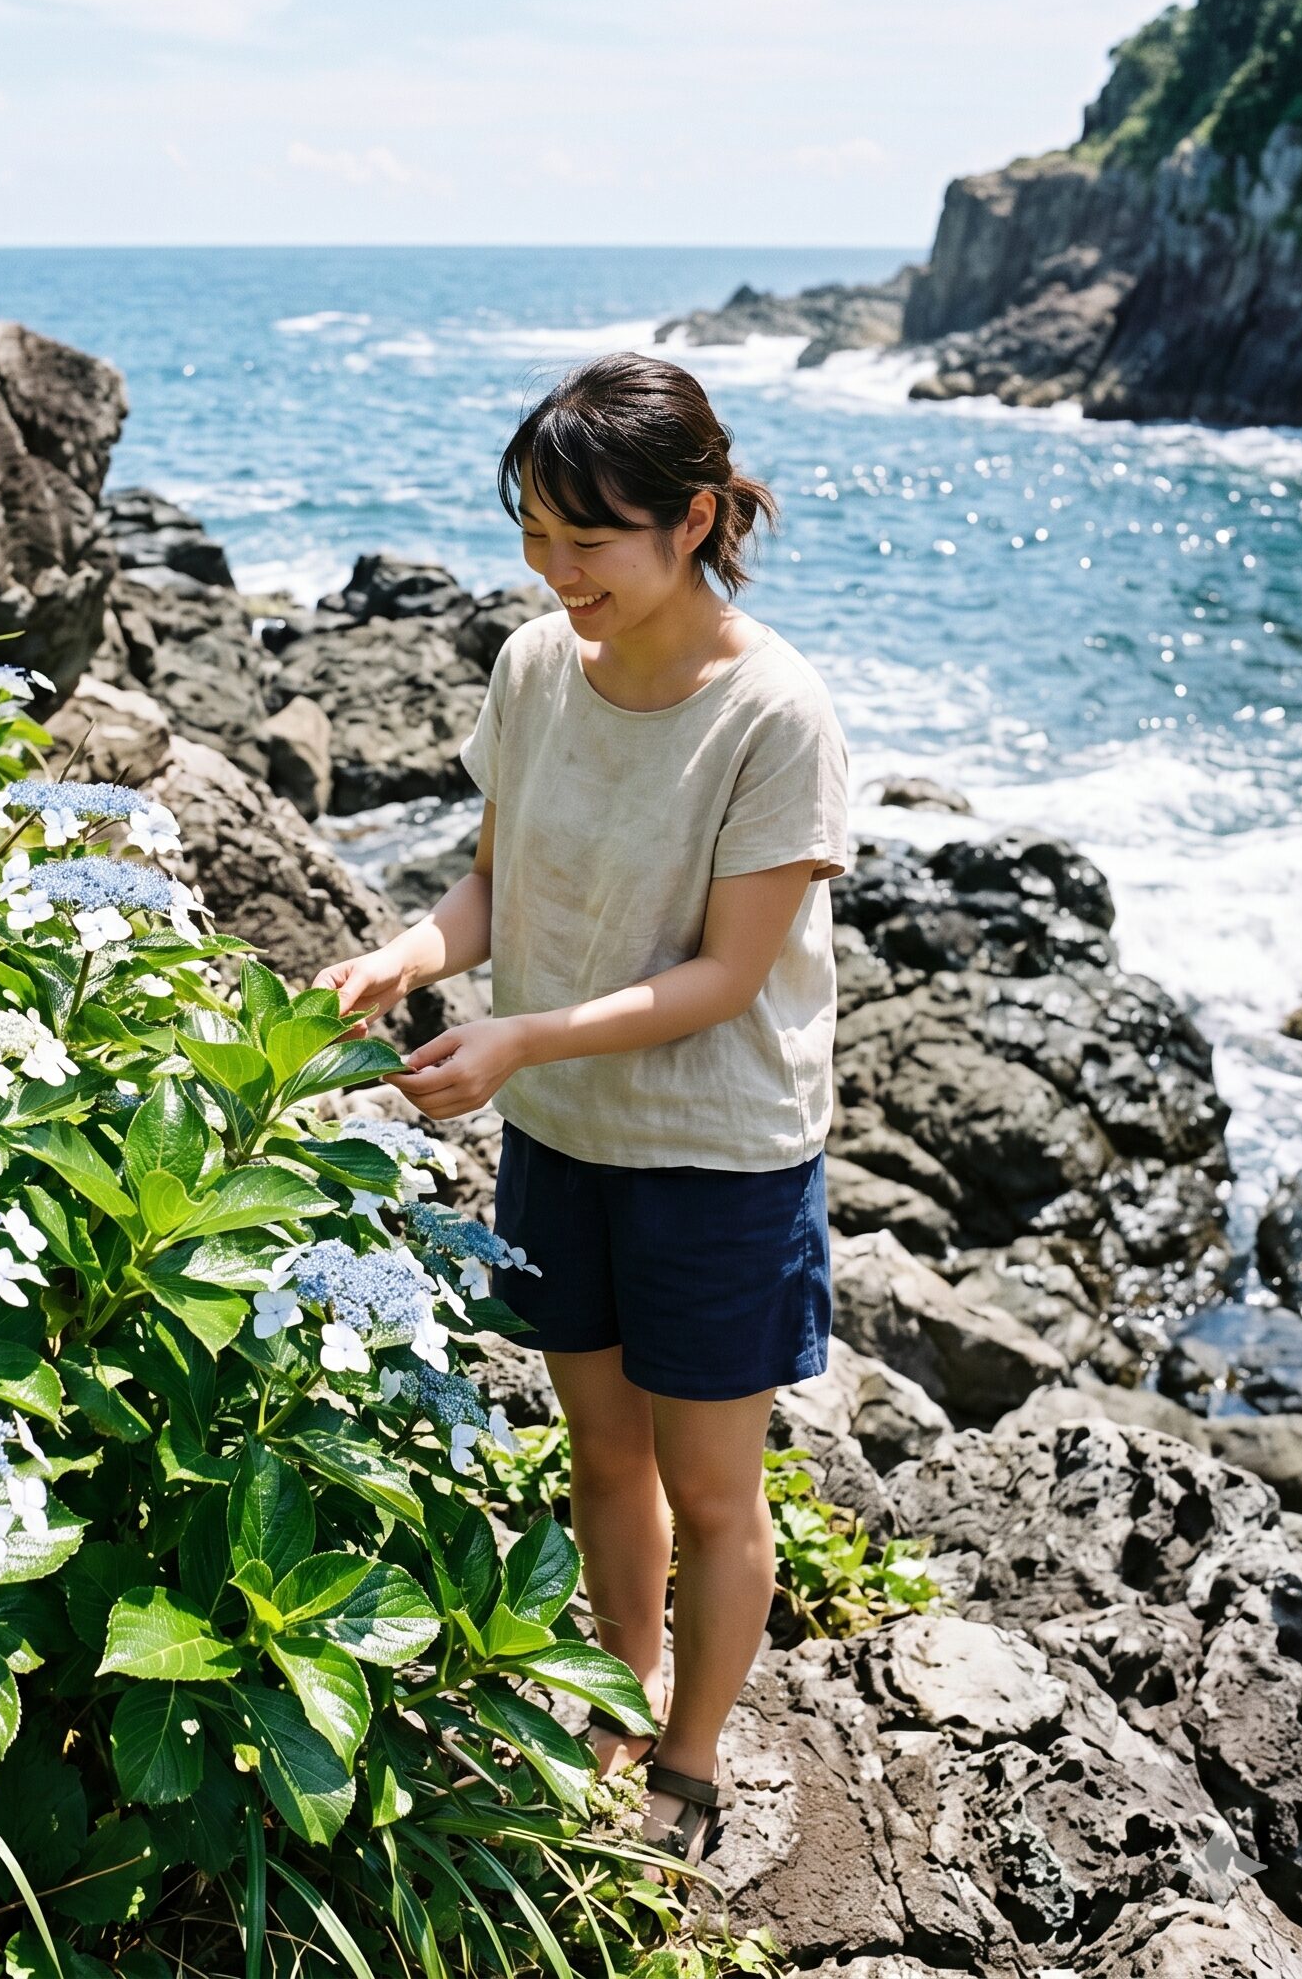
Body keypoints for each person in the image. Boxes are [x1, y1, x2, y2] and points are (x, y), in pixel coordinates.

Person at [312, 350, 848, 1876]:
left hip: (720, 1157)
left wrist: (521, 1035)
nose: (553, 575)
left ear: (691, 521)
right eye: (533, 537)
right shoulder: (538, 665)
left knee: (714, 1486)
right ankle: (620, 1692)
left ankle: (691, 1759)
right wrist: (415, 950)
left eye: (584, 541)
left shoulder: (775, 710)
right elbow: (500, 879)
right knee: (600, 1451)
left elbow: (729, 976)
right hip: (564, 1133)